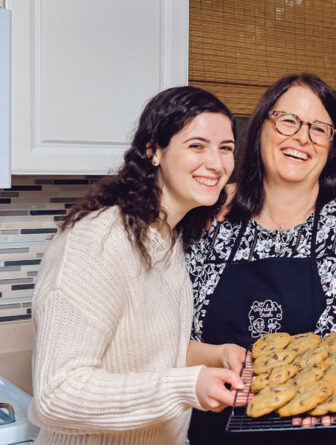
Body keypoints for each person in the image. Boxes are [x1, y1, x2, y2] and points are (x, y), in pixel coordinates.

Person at [29, 86, 245, 444]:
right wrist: (184, 387)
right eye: (196, 145)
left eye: (226, 148)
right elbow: (57, 395)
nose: (217, 164)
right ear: (154, 151)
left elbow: (149, 352)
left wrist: (216, 356)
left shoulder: (167, 238)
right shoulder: (98, 241)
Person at [186, 73, 336, 444]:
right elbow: (177, 340)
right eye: (288, 121)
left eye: (318, 128)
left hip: (326, 433)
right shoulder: (210, 224)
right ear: (261, 126)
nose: (301, 137)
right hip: (220, 429)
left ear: (332, 145)